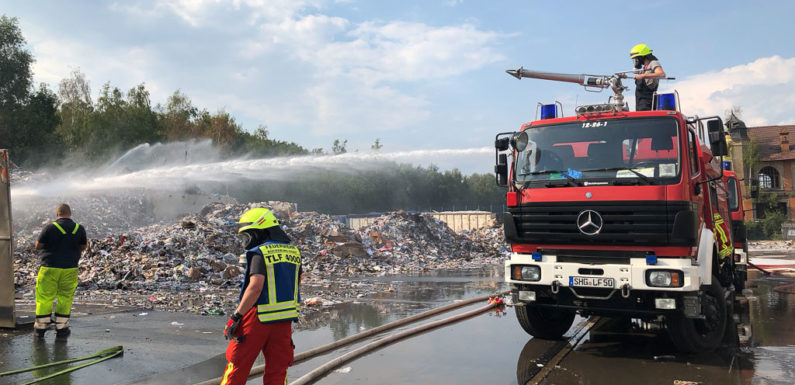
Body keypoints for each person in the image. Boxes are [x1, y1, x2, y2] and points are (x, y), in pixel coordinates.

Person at [221, 208, 302, 385]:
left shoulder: (260, 252)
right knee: (278, 370)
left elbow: (255, 287)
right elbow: (295, 283)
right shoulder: (294, 252)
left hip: (257, 317)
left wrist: (236, 316)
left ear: (259, 231)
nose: (247, 241)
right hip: (284, 319)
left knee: (237, 366)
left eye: (248, 235)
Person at [33, 203, 88, 339]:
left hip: (49, 267)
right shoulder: (79, 228)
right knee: (65, 297)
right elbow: (83, 246)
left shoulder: (50, 227)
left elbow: (38, 246)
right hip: (70, 268)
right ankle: (62, 328)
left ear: (57, 214)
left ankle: (40, 329)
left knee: (45, 297)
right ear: (70, 214)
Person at [630, 43, 666, 111]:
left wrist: (643, 76)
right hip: (640, 104)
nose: (636, 61)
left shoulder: (653, 63)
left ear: (642, 56)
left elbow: (661, 74)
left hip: (648, 103)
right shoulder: (645, 68)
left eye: (637, 58)